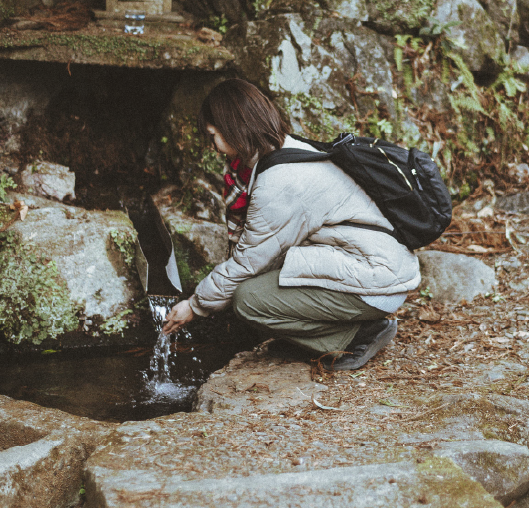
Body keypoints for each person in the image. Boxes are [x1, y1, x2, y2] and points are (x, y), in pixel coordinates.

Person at [161, 78, 419, 370]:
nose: (214, 147)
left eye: (213, 135)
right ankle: (336, 330)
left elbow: (248, 262)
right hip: (373, 267)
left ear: (233, 128)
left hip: (375, 281)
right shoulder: (287, 148)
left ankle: (356, 336)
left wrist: (194, 306)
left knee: (248, 301)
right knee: (252, 292)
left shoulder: (277, 183)